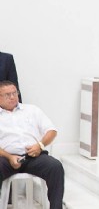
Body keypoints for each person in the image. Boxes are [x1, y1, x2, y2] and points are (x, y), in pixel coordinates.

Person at [0, 81, 64, 209]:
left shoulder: (32, 110)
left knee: (55, 166)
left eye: (14, 93)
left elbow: (51, 130)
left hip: (33, 156)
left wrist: (40, 145)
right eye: (7, 95)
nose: (12, 97)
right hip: (5, 158)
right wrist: (9, 156)